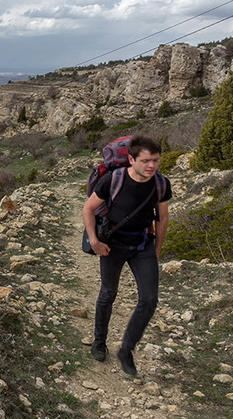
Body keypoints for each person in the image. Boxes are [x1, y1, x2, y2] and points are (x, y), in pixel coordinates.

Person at [82, 135, 172, 376]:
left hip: (142, 244)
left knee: (150, 299)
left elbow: (163, 217)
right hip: (112, 245)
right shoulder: (113, 180)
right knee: (108, 293)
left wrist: (158, 247)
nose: (151, 166)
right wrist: (95, 241)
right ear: (131, 159)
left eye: (155, 160)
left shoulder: (161, 184)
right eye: (145, 161)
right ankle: (99, 341)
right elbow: (88, 209)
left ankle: (126, 350)